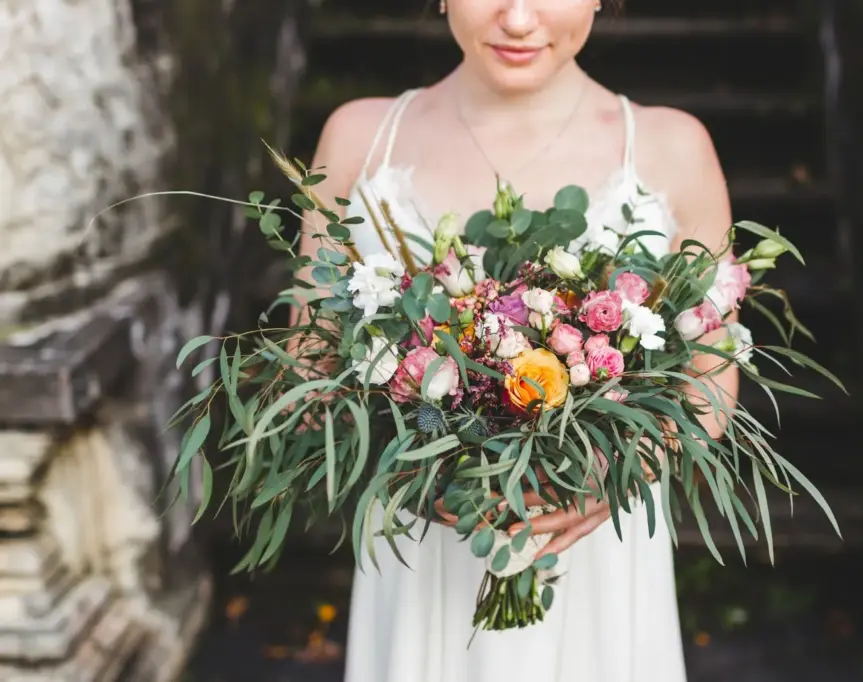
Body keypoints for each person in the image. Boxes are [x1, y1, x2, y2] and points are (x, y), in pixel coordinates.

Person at [295, 1, 739, 680]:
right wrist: (402, 453)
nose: (520, 18)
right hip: (423, 544)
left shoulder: (671, 146)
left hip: (595, 552)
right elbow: (309, 360)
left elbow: (711, 375)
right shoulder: (360, 136)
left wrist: (623, 471)